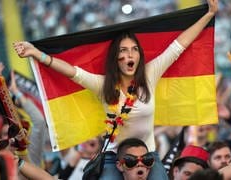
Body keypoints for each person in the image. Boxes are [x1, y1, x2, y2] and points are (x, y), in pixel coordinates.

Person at [13, 0, 218, 179]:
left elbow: (178, 46)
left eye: (134, 50)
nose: (130, 55)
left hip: (148, 156)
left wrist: (208, 14)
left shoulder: (149, 74)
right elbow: (72, 72)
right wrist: (36, 54)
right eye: (124, 50)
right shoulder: (104, 85)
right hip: (113, 158)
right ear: (116, 58)